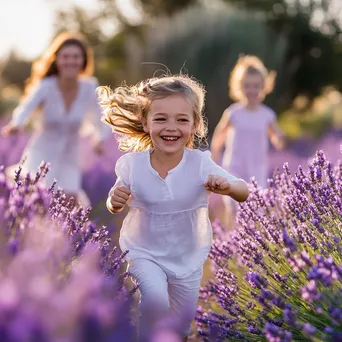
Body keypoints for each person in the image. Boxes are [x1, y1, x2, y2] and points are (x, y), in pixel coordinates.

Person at [97, 74, 249, 341]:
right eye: (161, 119)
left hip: (187, 258)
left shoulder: (200, 164)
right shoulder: (133, 165)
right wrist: (114, 201)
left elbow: (244, 191)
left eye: (182, 119)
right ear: (145, 122)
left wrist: (226, 186)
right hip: (143, 251)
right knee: (155, 301)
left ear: (196, 125)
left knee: (179, 326)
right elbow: (115, 198)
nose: (171, 127)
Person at [1, 32, 109, 206]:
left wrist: (100, 139)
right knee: (35, 199)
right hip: (42, 151)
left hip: (71, 155)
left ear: (83, 61)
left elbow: (101, 118)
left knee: (69, 200)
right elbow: (25, 108)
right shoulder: (47, 86)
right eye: (65, 57)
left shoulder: (89, 87)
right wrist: (17, 124)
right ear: (57, 60)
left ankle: (59, 234)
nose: (71, 61)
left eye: (76, 57)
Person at [211, 55, 284, 190]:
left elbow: (276, 136)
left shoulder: (267, 115)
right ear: (239, 86)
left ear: (263, 87)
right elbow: (220, 134)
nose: (251, 90)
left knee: (256, 204)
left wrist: (280, 139)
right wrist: (213, 157)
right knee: (232, 203)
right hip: (234, 167)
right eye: (247, 86)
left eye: (256, 86)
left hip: (257, 168)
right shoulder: (233, 113)